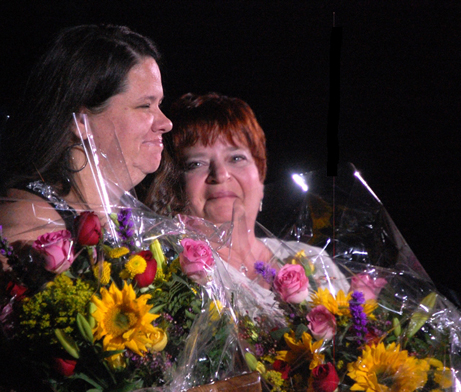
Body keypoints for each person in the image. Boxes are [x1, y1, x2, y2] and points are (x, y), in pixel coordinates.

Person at [0, 27, 277, 392]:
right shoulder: (24, 218)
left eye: (160, 104)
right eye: (145, 106)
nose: (165, 123)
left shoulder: (135, 224)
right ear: (81, 119)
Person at [146, 93, 349, 320]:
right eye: (196, 163)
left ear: (260, 171)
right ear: (175, 184)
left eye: (236, 158)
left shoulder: (316, 264)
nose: (220, 175)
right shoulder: (167, 278)